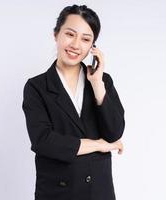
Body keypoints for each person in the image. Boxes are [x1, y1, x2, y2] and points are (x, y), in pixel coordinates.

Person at [22, 4, 125, 200]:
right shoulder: (36, 87)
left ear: (93, 47)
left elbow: (114, 133)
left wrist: (97, 84)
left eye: (86, 39)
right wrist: (97, 145)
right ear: (56, 34)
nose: (76, 45)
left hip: (99, 192)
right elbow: (43, 141)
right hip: (57, 192)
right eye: (70, 34)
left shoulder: (103, 81)